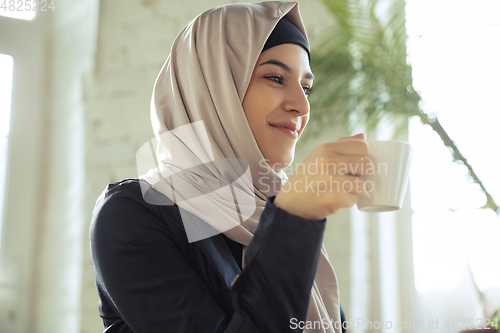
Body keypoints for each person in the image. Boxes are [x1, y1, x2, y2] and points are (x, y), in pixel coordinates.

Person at [90, 1, 372, 332]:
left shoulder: (271, 209)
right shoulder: (132, 216)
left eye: (306, 87)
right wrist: (295, 218)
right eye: (275, 77)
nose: (302, 105)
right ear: (213, 88)